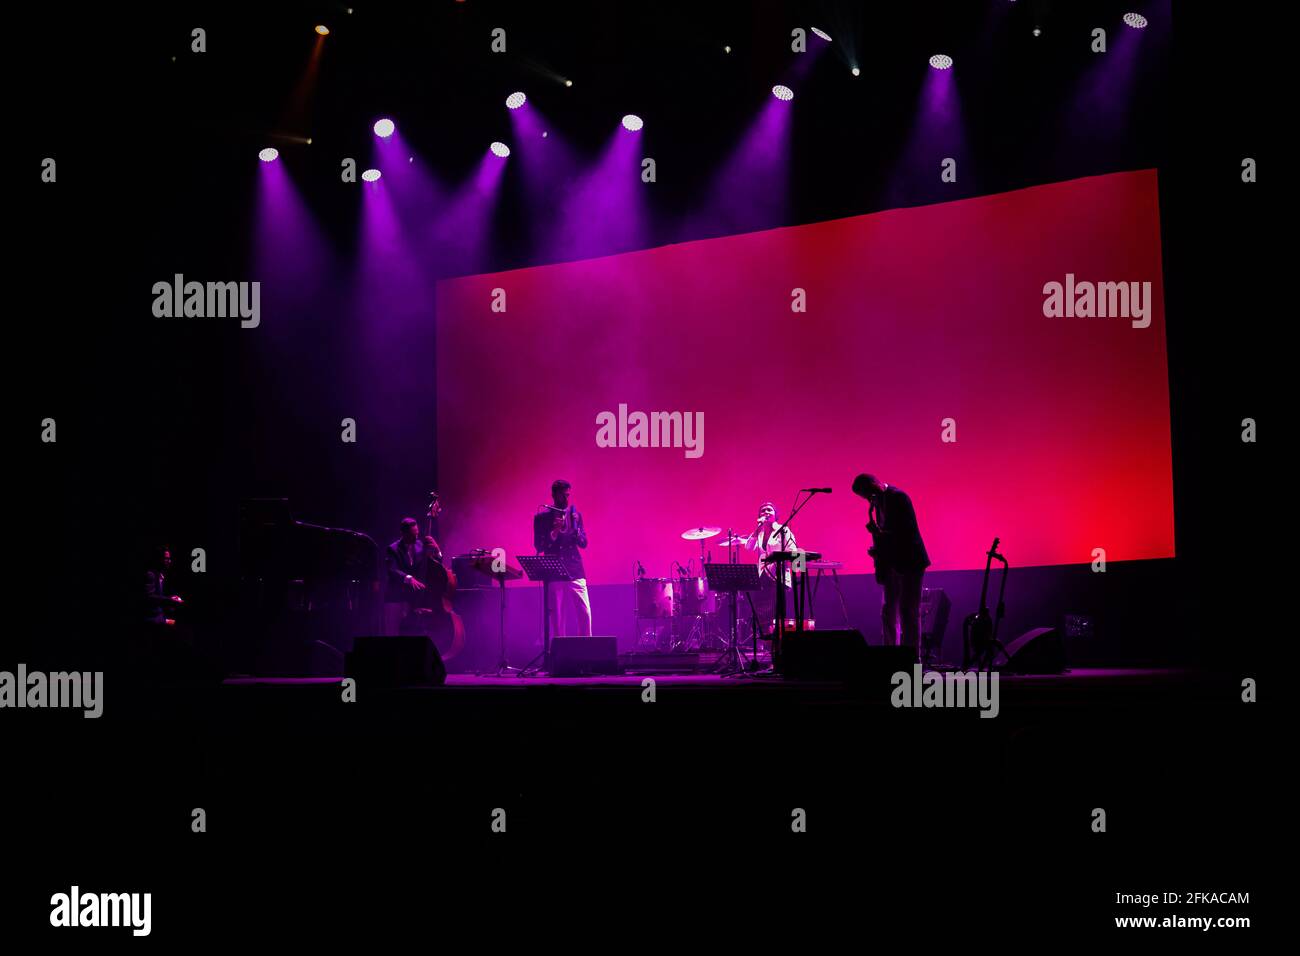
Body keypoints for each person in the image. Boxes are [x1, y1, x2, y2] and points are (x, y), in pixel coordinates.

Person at [851, 473, 930, 650]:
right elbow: (886, 536)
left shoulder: (898, 497)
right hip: (892, 565)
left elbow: (905, 533)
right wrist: (878, 551)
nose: (867, 499)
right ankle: (891, 655)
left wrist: (879, 534)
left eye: (866, 493)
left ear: (874, 484)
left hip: (909, 562)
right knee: (888, 612)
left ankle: (911, 658)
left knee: (908, 611)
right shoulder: (878, 502)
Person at [531, 479, 592, 637]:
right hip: (554, 571)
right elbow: (539, 546)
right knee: (558, 619)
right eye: (562, 495)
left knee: (585, 614)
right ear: (554, 495)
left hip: (575, 570)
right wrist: (554, 532)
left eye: (568, 495)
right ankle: (560, 654)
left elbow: (584, 543)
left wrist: (577, 529)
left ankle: (587, 651)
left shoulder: (575, 516)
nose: (566, 499)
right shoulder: (541, 518)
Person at [383, 517, 442, 636]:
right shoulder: (392, 549)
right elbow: (392, 570)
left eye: (417, 534)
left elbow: (436, 565)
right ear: (403, 533)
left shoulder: (421, 546)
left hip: (413, 600)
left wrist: (437, 549)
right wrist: (409, 578)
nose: (416, 537)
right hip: (396, 599)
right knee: (393, 634)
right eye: (411, 535)